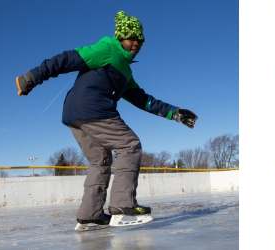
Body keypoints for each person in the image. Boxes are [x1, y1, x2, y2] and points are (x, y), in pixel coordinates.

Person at [13, 11, 198, 232]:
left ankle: (90, 215)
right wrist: (32, 77)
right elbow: (66, 59)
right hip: (93, 109)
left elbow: (144, 100)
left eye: (140, 41)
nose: (136, 44)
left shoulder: (125, 71)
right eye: (131, 39)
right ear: (121, 38)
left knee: (100, 161)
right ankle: (123, 207)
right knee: (129, 145)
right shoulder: (107, 48)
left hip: (74, 114)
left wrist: (175, 113)